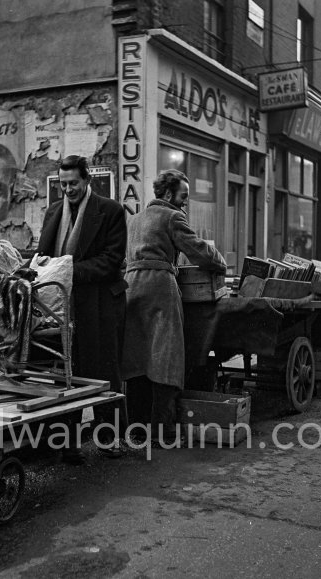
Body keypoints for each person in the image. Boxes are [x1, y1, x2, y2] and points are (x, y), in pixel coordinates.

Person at [123, 169, 226, 444]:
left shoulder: (133, 219)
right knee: (165, 358)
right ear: (168, 194)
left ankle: (135, 428)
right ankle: (163, 430)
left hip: (131, 288)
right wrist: (220, 262)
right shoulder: (172, 216)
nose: (185, 202)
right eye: (183, 196)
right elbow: (198, 250)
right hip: (160, 288)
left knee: (136, 360)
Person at [37, 155, 127, 462]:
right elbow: (43, 256)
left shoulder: (111, 211)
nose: (68, 189)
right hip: (65, 305)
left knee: (103, 372)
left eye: (73, 183)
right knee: (66, 373)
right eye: (63, 184)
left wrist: (68, 269)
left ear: (87, 180)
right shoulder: (52, 213)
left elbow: (111, 260)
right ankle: (68, 443)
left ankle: (110, 439)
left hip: (100, 303)